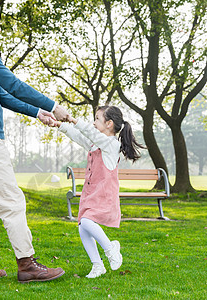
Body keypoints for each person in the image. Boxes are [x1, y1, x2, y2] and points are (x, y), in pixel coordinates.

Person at [0, 0, 69, 283]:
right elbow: (14, 84)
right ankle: (27, 264)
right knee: (12, 202)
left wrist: (37, 112)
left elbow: (1, 95)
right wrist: (53, 105)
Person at [51, 106, 144, 278]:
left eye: (97, 119)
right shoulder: (97, 144)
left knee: (87, 221)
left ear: (109, 124)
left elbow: (90, 133)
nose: (93, 123)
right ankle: (97, 265)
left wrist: (73, 120)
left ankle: (110, 248)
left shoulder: (111, 144)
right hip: (91, 193)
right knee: (82, 227)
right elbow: (80, 136)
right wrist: (59, 125)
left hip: (104, 195)